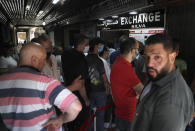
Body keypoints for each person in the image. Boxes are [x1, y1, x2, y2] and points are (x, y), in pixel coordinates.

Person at [0, 43, 82, 131]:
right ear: (34, 60)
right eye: (43, 60)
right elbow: (75, 107)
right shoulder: (45, 82)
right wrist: (61, 119)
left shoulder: (2, 80)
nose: (43, 64)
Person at [131, 34, 194, 131]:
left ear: (172, 57)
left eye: (157, 57)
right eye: (147, 57)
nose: (149, 64)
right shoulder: (157, 77)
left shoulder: (171, 100)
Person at [110, 38, 144, 131]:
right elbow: (143, 91)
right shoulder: (126, 68)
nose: (138, 52)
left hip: (120, 112)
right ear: (132, 51)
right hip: (129, 115)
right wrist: (138, 95)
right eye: (137, 49)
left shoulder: (117, 62)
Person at [62, 34, 90, 130]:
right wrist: (86, 99)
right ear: (82, 44)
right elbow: (80, 83)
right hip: (79, 96)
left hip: (68, 93)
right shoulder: (79, 59)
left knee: (70, 122)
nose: (88, 46)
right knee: (81, 123)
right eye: (87, 44)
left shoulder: (66, 54)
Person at [86, 37, 110, 131]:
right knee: (100, 115)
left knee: (90, 114)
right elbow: (104, 78)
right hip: (100, 91)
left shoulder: (84, 59)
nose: (101, 47)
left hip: (88, 91)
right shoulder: (99, 61)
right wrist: (107, 88)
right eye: (100, 45)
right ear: (96, 46)